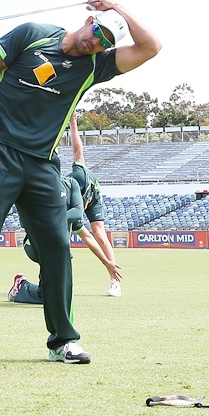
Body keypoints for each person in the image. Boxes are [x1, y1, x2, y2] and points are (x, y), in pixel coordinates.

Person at [0, 0, 161, 366]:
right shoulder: (33, 34)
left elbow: (151, 46)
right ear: (87, 20)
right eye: (97, 33)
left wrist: (118, 9)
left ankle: (63, 340)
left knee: (57, 251)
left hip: (43, 165)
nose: (96, 43)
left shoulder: (98, 65)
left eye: (106, 42)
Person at [8, 175, 122, 304]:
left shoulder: (70, 185)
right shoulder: (34, 186)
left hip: (59, 249)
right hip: (35, 245)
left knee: (57, 294)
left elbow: (86, 233)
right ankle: (25, 287)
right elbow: (24, 221)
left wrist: (106, 262)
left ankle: (22, 285)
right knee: (56, 294)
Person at [68, 112, 121, 296]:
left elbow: (77, 152)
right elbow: (85, 237)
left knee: (99, 233)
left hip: (93, 197)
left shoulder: (79, 175)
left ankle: (115, 280)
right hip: (79, 206)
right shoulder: (66, 202)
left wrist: (73, 124)